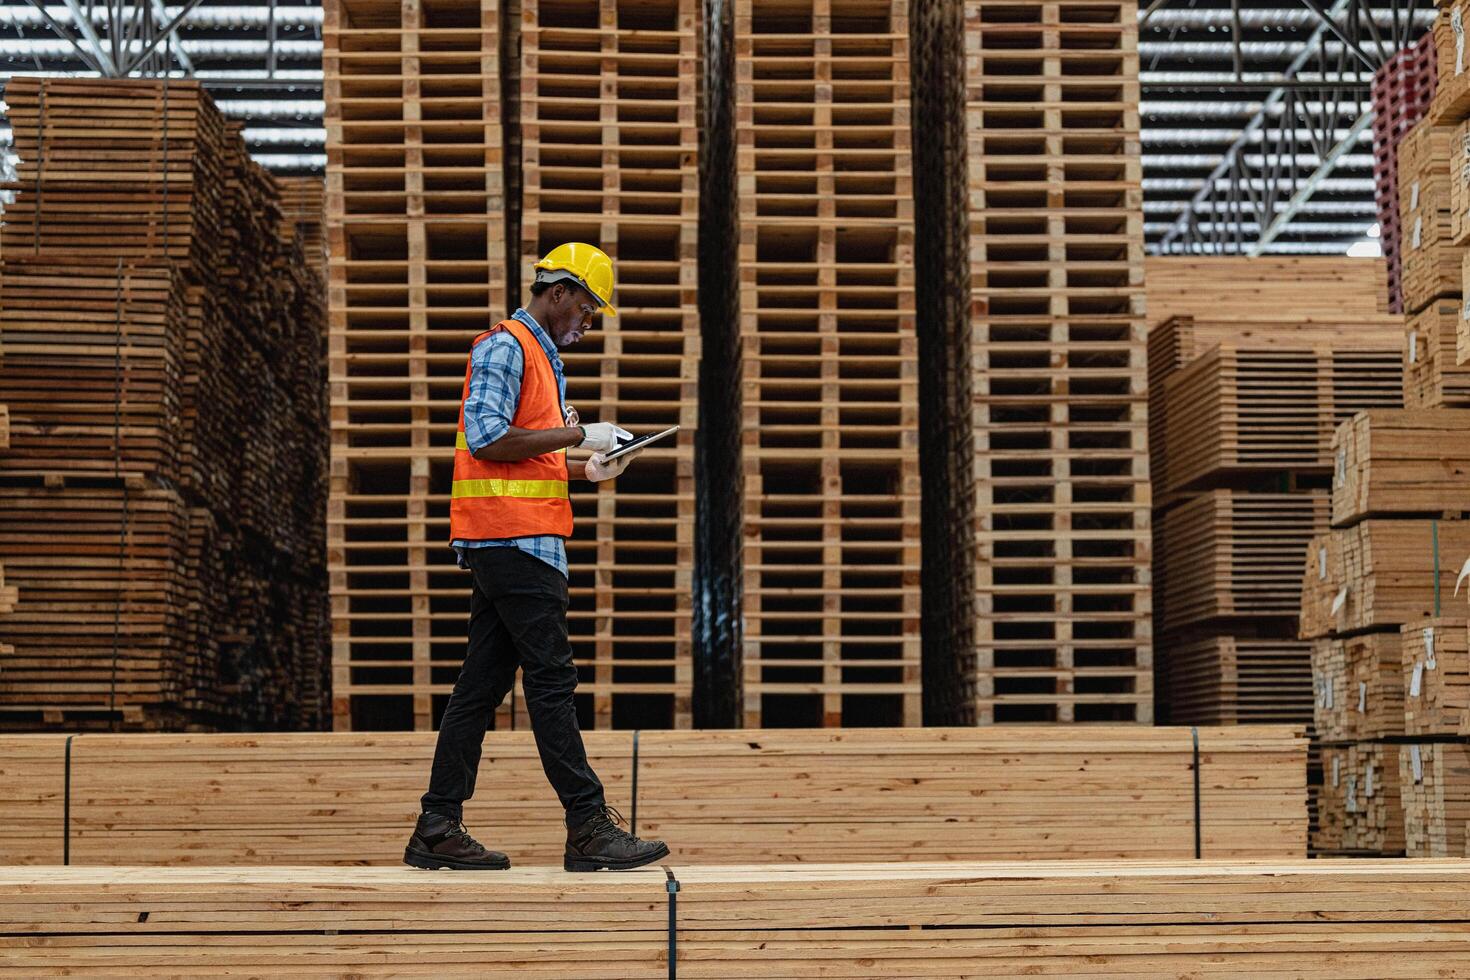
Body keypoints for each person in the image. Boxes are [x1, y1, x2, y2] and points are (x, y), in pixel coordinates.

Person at [403, 243, 671, 872]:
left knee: (480, 687)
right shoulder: (506, 346)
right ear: (557, 292)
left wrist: (589, 468)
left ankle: (437, 825)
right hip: (513, 542)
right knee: (552, 681)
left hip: (519, 541)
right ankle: (587, 825)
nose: (589, 320)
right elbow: (489, 436)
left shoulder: (544, 364)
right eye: (586, 306)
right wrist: (582, 433)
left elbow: (527, 454)